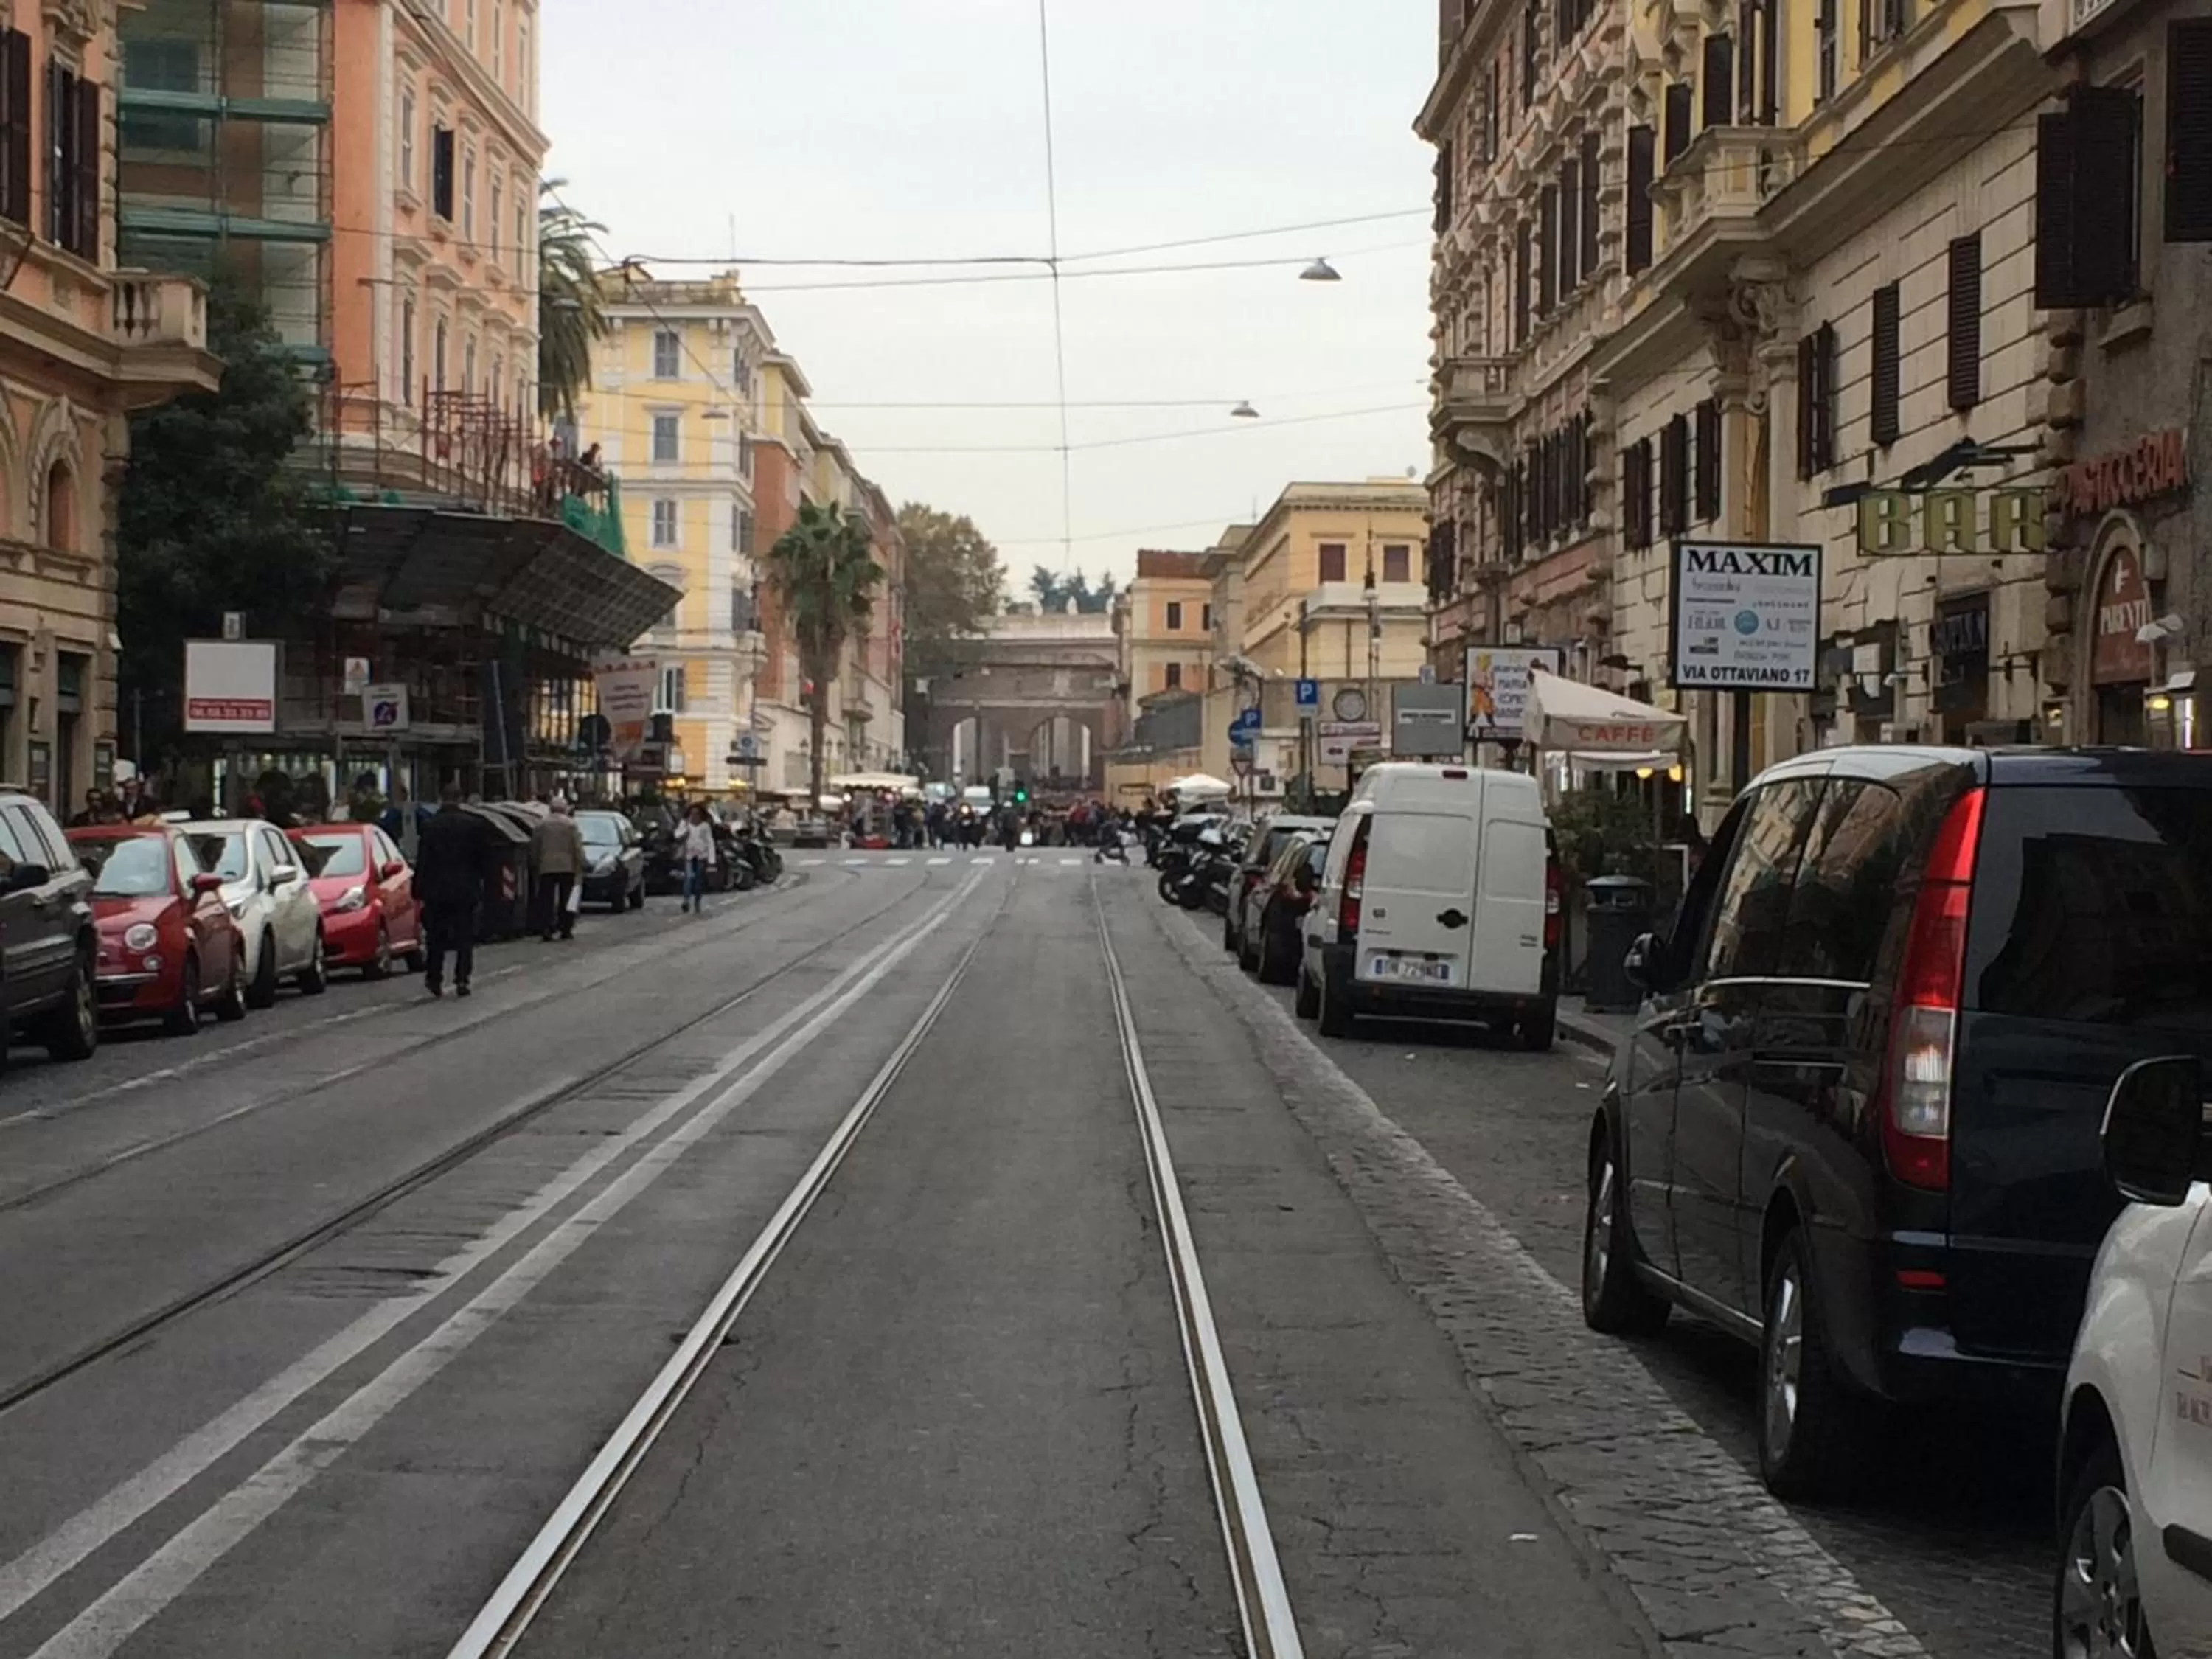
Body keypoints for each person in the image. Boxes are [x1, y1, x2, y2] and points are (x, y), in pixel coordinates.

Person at [414, 782, 490, 997]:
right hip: (465, 890)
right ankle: (462, 979)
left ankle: (434, 978)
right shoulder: (473, 826)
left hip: (436, 892)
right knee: (465, 937)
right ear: (461, 800)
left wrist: (418, 889)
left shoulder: (430, 826)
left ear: (441, 799)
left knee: (436, 937)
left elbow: (424, 861)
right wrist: (480, 883)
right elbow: (483, 860)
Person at [530, 798, 587, 940]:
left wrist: (535, 862)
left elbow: (535, 846)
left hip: (547, 866)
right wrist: (581, 862)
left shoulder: (542, 824)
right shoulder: (571, 825)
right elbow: (577, 846)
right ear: (565, 809)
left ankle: (546, 929)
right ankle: (565, 928)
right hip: (567, 866)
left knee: (546, 899)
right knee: (567, 899)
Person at [678, 802, 716, 913]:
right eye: (692, 814)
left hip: (701, 857)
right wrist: (685, 831)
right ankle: (686, 901)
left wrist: (711, 861)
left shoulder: (705, 826)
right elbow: (677, 835)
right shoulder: (684, 824)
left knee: (699, 881)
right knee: (689, 878)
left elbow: (710, 843)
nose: (694, 816)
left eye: (697, 814)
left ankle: (697, 901)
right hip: (689, 856)